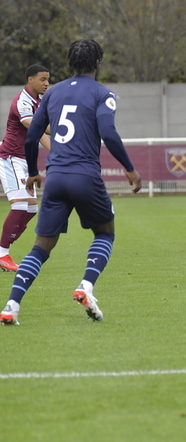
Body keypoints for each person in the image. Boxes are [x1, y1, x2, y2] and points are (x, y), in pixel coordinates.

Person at [0, 39, 142, 326]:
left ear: (69, 64)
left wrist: (33, 172)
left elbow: (31, 137)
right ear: (98, 63)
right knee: (105, 233)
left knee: (40, 247)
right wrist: (129, 168)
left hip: (54, 178)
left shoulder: (53, 94)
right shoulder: (103, 93)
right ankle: (86, 287)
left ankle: (11, 305)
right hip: (85, 176)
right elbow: (109, 134)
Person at [0, 65, 52, 272]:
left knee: (31, 208)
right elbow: (36, 127)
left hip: (22, 160)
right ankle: (2, 253)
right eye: (42, 79)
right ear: (30, 79)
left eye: (48, 79)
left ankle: (3, 251)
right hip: (10, 158)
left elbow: (43, 127)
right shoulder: (22, 101)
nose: (46, 83)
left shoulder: (37, 101)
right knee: (20, 206)